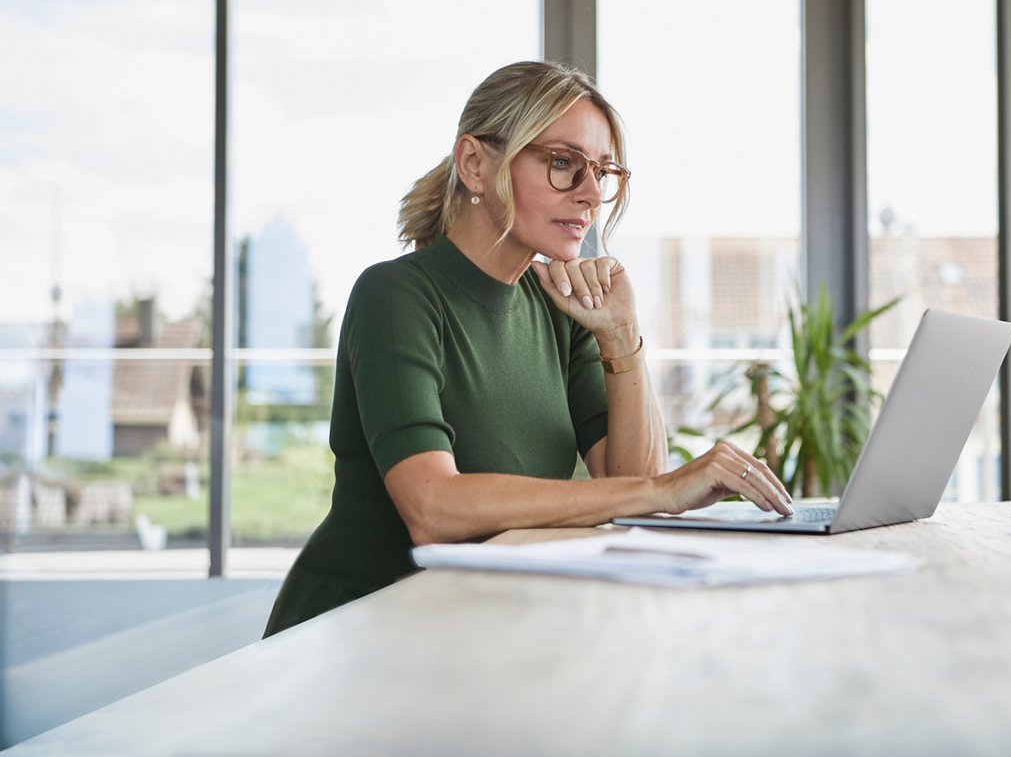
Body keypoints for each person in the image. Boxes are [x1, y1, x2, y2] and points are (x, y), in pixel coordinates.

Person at [263, 61, 792, 637]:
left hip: (488, 626)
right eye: (563, 163)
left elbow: (631, 485)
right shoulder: (397, 295)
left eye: (603, 171)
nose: (591, 194)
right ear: (475, 164)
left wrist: (621, 337)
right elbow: (434, 509)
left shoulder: (557, 304)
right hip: (363, 630)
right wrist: (662, 488)